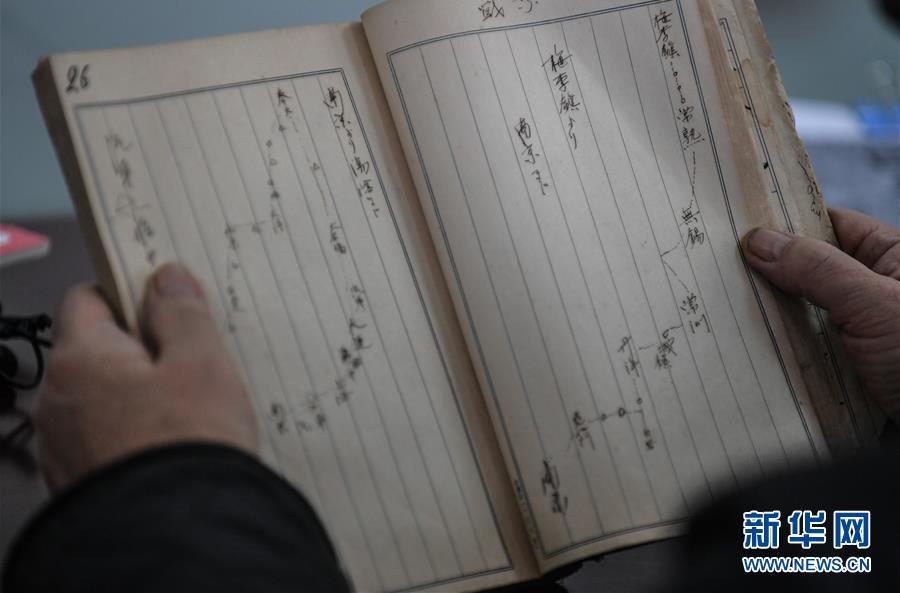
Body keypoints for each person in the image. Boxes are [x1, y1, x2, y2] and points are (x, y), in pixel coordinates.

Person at [2, 208, 898, 592]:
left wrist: (157, 498)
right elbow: (828, 548)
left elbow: (807, 550)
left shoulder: (788, 534)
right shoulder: (816, 533)